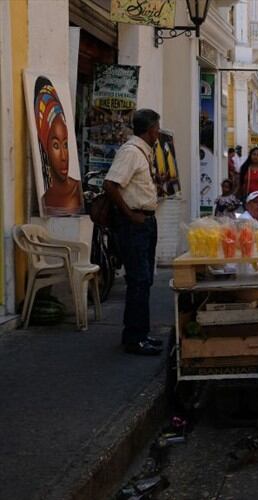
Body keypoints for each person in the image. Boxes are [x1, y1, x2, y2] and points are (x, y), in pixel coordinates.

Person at [103, 109, 163, 356]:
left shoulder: (143, 152)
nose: (158, 133)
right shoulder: (130, 152)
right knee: (138, 280)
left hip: (146, 221)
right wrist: (130, 215)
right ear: (150, 130)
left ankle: (140, 333)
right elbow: (111, 184)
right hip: (134, 224)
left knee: (144, 279)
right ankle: (134, 338)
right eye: (157, 128)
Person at [33, 76, 83, 216]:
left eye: (66, 144)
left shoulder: (76, 190)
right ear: (45, 145)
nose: (63, 156)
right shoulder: (44, 199)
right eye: (56, 145)